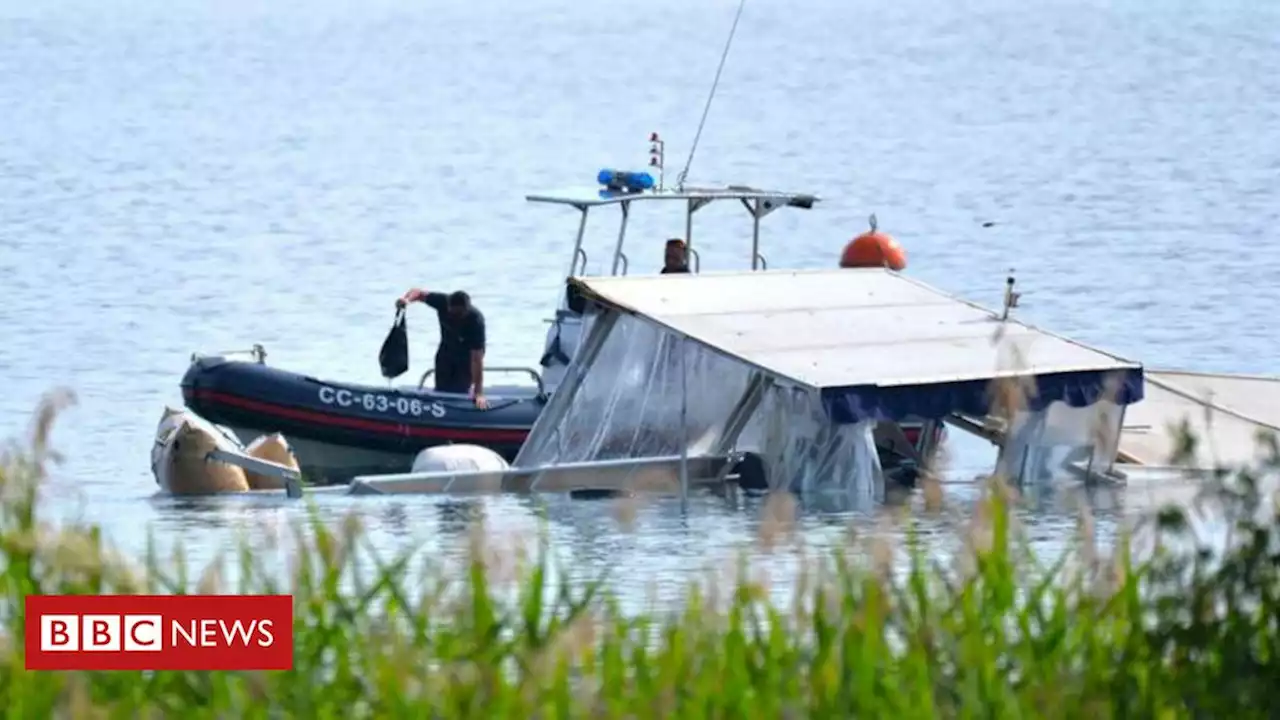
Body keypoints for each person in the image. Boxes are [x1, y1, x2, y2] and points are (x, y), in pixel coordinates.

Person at [396, 288, 489, 409]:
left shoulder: (475, 321)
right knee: (441, 389)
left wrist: (479, 392)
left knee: (459, 390)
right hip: (446, 352)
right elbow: (418, 293)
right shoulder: (442, 301)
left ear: (466, 310)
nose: (454, 317)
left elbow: (477, 359)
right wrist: (406, 300)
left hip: (465, 358)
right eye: (452, 313)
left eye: (459, 314)